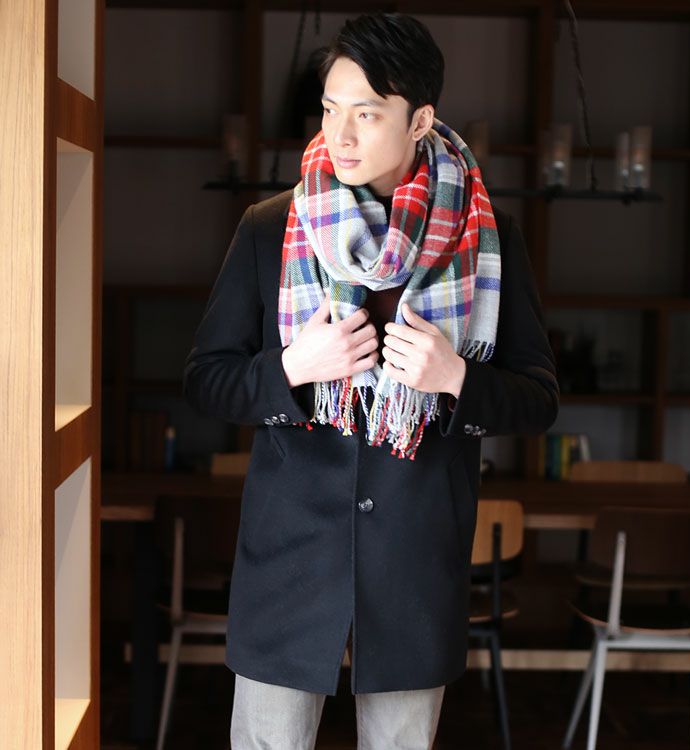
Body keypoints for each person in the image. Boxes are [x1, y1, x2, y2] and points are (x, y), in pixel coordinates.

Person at [183, 11, 559, 750]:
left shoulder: (490, 239)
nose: (341, 134)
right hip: (287, 566)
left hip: (414, 567)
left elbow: (538, 400)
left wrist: (456, 377)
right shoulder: (270, 228)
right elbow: (206, 380)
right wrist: (293, 368)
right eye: (330, 110)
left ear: (420, 120)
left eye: (367, 113)